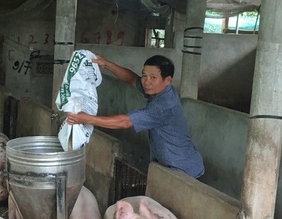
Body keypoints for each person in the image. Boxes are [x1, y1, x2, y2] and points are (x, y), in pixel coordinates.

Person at [66, 54, 205, 179]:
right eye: (144, 75)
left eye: (153, 77)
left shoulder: (163, 106)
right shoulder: (160, 90)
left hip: (183, 170)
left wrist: (85, 118)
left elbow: (125, 122)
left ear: (167, 80)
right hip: (169, 165)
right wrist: (106, 64)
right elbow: (132, 79)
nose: (146, 81)